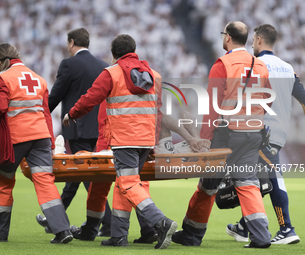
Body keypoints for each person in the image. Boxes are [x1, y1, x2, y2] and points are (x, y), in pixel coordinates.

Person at [63, 34, 178, 249]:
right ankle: (118, 235)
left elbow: (91, 98)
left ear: (114, 54)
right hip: (145, 140)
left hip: (124, 139)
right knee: (125, 186)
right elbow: (158, 111)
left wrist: (72, 113)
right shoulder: (154, 75)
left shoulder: (112, 73)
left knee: (127, 184)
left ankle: (160, 222)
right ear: (134, 50)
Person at [172, 21, 272, 248]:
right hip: (253, 133)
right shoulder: (261, 65)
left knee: (208, 185)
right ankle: (261, 237)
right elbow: (269, 100)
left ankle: (191, 234)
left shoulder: (223, 64)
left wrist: (205, 140)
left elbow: (213, 108)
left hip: (227, 135)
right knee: (248, 183)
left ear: (227, 37)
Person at [0, 43, 72, 244]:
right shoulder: (39, 80)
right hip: (40, 136)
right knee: (45, 182)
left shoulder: (3, 78)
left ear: (0, 61)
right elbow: (46, 114)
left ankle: (0, 232)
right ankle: (62, 230)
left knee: (4, 181)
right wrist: (49, 140)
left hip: (16, 138)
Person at [226, 24, 303, 245]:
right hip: (279, 132)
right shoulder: (288, 68)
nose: (252, 44)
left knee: (272, 178)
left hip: (260, 131)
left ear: (259, 40)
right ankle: (243, 226)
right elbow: (303, 98)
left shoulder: (255, 65)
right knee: (257, 178)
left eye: (252, 41)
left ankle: (287, 228)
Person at [36, 28, 112, 236]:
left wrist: (40, 116)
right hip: (98, 128)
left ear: (71, 43)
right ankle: (55, 218)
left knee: (86, 175)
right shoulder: (104, 66)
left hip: (76, 126)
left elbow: (56, 95)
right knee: (77, 174)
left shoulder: (68, 64)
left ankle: (109, 222)